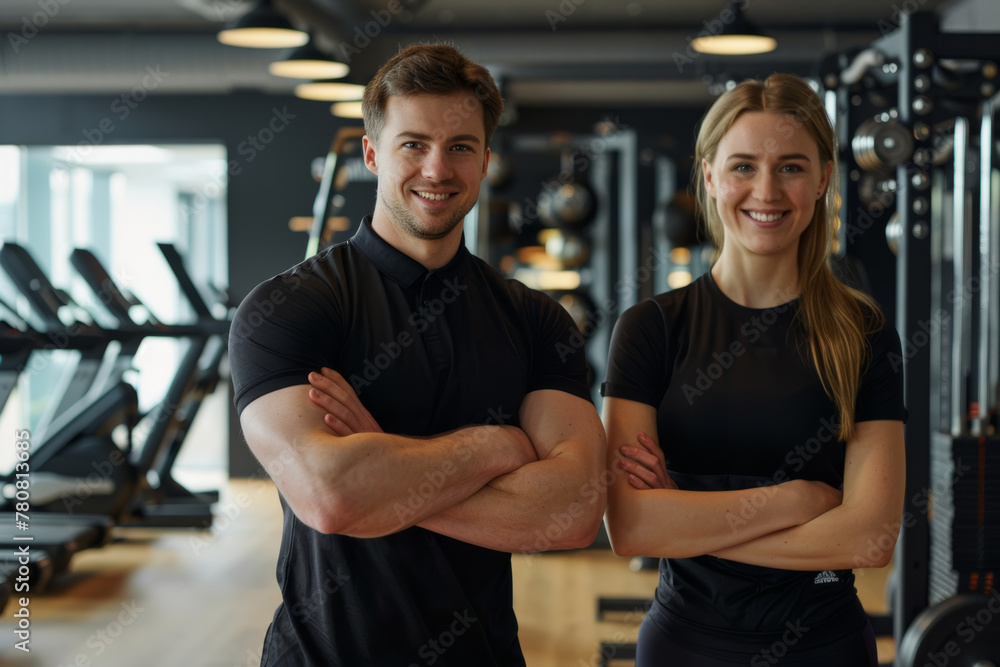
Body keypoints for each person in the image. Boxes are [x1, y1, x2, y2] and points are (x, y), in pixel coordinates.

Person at [229, 43, 606, 666]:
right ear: (373, 154)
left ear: (486, 161)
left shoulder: (535, 319)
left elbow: (573, 513)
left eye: (460, 146)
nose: (438, 168)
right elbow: (330, 497)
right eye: (413, 144)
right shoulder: (288, 308)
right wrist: (497, 447)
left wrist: (380, 464)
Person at [601, 73, 906, 666]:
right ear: (710, 175)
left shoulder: (863, 335)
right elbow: (634, 528)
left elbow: (869, 538)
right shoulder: (651, 330)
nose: (766, 190)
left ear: (822, 180)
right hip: (685, 646)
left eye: (791, 166)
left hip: (825, 649)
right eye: (743, 166)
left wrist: (686, 515)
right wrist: (795, 500)